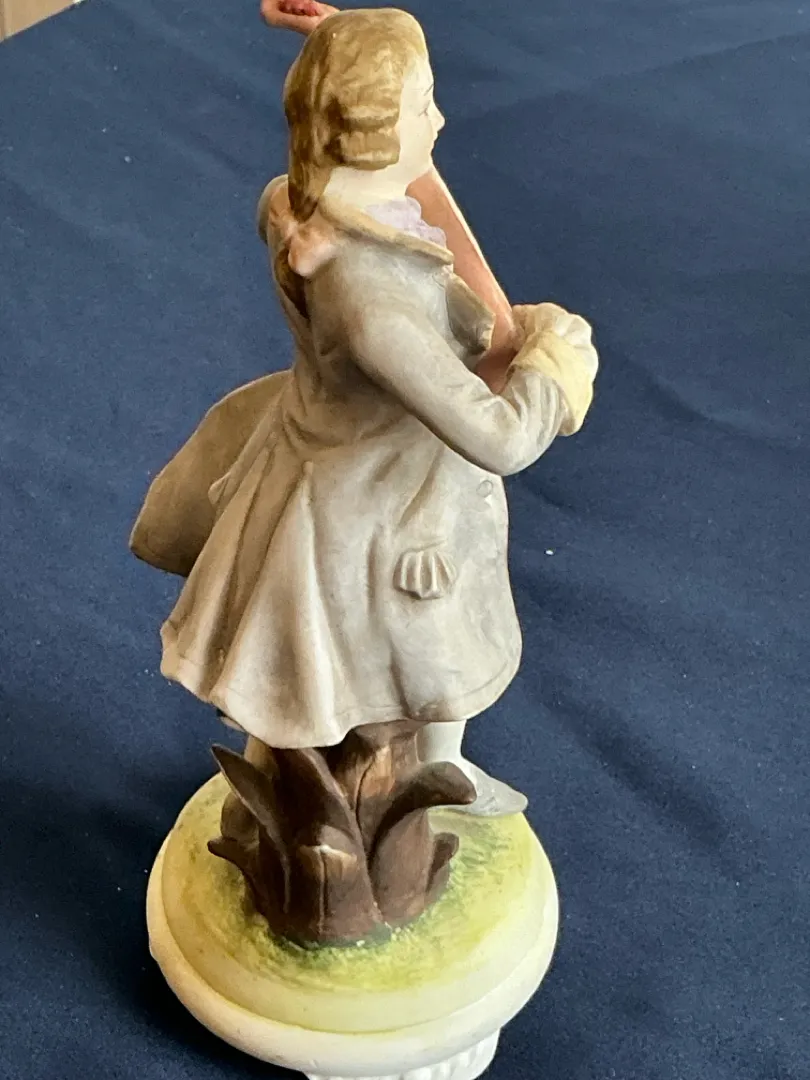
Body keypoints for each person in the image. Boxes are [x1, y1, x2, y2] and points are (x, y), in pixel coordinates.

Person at [132, 8, 597, 815]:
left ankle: (423, 775)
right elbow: (500, 438)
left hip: (332, 461)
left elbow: (419, 197)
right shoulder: (369, 302)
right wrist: (554, 364)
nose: (439, 121)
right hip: (375, 499)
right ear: (372, 133)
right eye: (422, 106)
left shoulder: (297, 201)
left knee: (377, 662)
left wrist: (340, 41)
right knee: (385, 659)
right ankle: (297, 807)